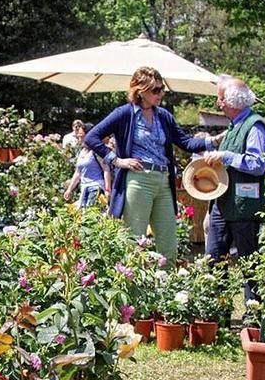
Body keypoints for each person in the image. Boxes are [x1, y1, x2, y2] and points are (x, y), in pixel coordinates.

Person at [85, 66, 219, 268]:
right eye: (155, 90)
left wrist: (215, 141)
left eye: (162, 89)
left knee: (169, 245)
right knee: (134, 240)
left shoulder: (163, 116)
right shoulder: (124, 114)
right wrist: (117, 160)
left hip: (163, 181)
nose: (161, 94)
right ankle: (131, 292)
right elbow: (91, 137)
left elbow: (187, 143)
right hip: (138, 180)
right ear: (140, 92)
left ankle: (167, 293)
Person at [203, 75, 265, 307]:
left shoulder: (254, 126)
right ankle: (217, 314)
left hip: (244, 206)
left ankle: (252, 317)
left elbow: (258, 164)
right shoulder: (233, 127)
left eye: (220, 98)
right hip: (222, 203)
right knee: (214, 258)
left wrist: (226, 156)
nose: (218, 103)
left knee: (249, 263)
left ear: (232, 101)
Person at [64, 123, 112, 208]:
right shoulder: (81, 151)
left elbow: (106, 169)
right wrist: (69, 189)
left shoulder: (96, 151)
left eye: (81, 136)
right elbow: (78, 173)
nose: (79, 138)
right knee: (83, 215)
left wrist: (107, 190)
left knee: (91, 215)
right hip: (84, 188)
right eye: (78, 136)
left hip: (95, 187)